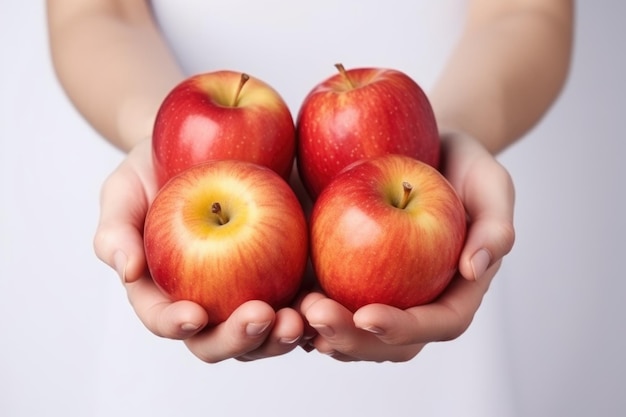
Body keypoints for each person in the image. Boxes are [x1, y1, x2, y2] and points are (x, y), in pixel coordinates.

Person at [46, 0, 573, 364]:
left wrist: (448, 140)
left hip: (427, 255)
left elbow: (526, 11)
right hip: (187, 253)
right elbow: (95, 12)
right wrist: (159, 143)